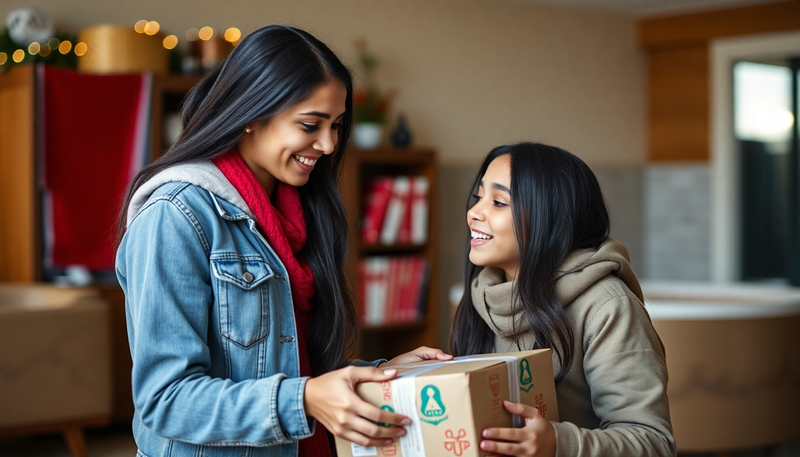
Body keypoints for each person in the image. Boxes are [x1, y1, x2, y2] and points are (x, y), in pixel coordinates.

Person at [115, 25, 450, 457]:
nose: (329, 145)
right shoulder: (175, 215)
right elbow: (166, 401)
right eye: (311, 124)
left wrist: (382, 375)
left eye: (337, 125)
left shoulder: (297, 211)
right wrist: (305, 399)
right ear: (251, 114)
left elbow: (289, 366)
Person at [449, 142, 676, 457]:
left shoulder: (607, 306)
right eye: (478, 197)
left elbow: (653, 442)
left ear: (550, 215)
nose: (474, 212)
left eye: (499, 202)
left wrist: (558, 443)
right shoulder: (481, 296)